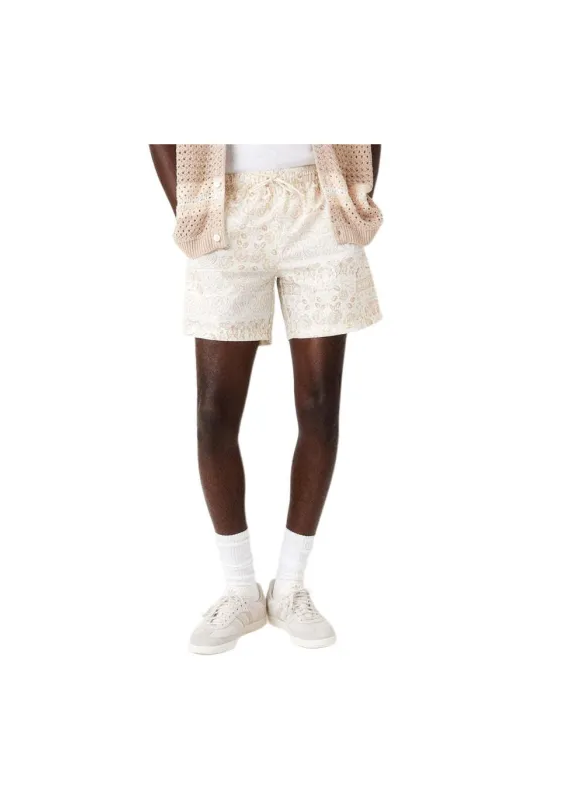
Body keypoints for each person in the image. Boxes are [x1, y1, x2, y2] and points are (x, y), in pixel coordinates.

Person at [149, 144, 383, 654]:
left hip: (320, 204)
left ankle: (290, 586)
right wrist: (187, 206)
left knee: (319, 404)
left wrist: (355, 194)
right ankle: (240, 590)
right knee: (214, 413)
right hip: (222, 209)